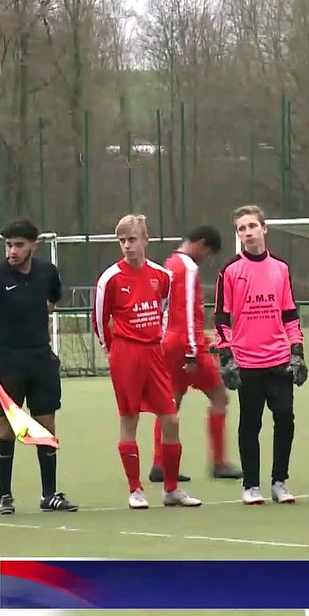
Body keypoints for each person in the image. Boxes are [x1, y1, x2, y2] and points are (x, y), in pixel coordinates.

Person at [94, 215, 201, 509]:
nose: (127, 246)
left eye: (132, 240)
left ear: (145, 240)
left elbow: (163, 307)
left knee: (171, 419)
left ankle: (171, 489)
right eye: (122, 241)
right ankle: (135, 489)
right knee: (129, 419)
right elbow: (100, 320)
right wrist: (110, 349)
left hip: (154, 353)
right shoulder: (110, 278)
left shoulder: (162, 276)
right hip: (125, 354)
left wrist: (157, 337)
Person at [0, 218, 78, 515]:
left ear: (34, 245)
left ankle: (49, 495)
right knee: (6, 428)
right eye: (8, 245)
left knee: (46, 426)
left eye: (19, 245)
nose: (12, 251)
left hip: (41, 360)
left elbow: (52, 300)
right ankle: (5, 496)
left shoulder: (47, 273)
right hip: (8, 361)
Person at [214, 205, 306, 505]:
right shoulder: (230, 271)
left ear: (264, 228)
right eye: (242, 228)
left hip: (278, 360)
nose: (248, 232)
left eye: (252, 226)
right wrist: (227, 357)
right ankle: (251, 485)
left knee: (285, 418)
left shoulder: (281, 268)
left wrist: (297, 351)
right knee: (250, 424)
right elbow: (221, 319)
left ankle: (279, 482)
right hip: (247, 362)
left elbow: (289, 314)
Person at [154, 225, 241, 482]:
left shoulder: (169, 264)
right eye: (208, 252)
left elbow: (164, 309)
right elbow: (188, 313)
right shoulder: (188, 268)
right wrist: (193, 350)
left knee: (171, 402)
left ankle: (160, 464)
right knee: (219, 397)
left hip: (168, 342)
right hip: (186, 345)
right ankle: (219, 462)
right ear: (201, 244)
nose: (205, 258)